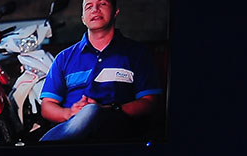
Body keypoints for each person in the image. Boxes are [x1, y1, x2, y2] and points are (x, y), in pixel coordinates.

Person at [39, 0, 163, 143]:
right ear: (83, 19)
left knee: (91, 111)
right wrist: (70, 113)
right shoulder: (64, 58)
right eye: (89, 6)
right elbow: (47, 106)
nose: (95, 9)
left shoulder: (137, 53)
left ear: (115, 12)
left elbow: (149, 102)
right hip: (73, 133)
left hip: (117, 131)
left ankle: (43, 150)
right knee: (88, 113)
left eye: (102, 4)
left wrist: (108, 109)